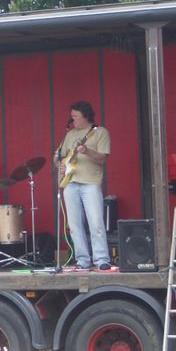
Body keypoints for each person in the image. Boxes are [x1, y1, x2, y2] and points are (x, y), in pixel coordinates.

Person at [57, 101, 111, 270]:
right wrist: (61, 164)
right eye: (72, 116)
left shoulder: (100, 132)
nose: (73, 120)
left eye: (76, 117)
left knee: (96, 223)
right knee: (74, 225)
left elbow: (102, 158)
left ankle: (101, 259)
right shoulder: (70, 134)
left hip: (90, 183)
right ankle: (82, 260)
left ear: (86, 116)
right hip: (70, 182)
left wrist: (87, 151)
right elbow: (59, 155)